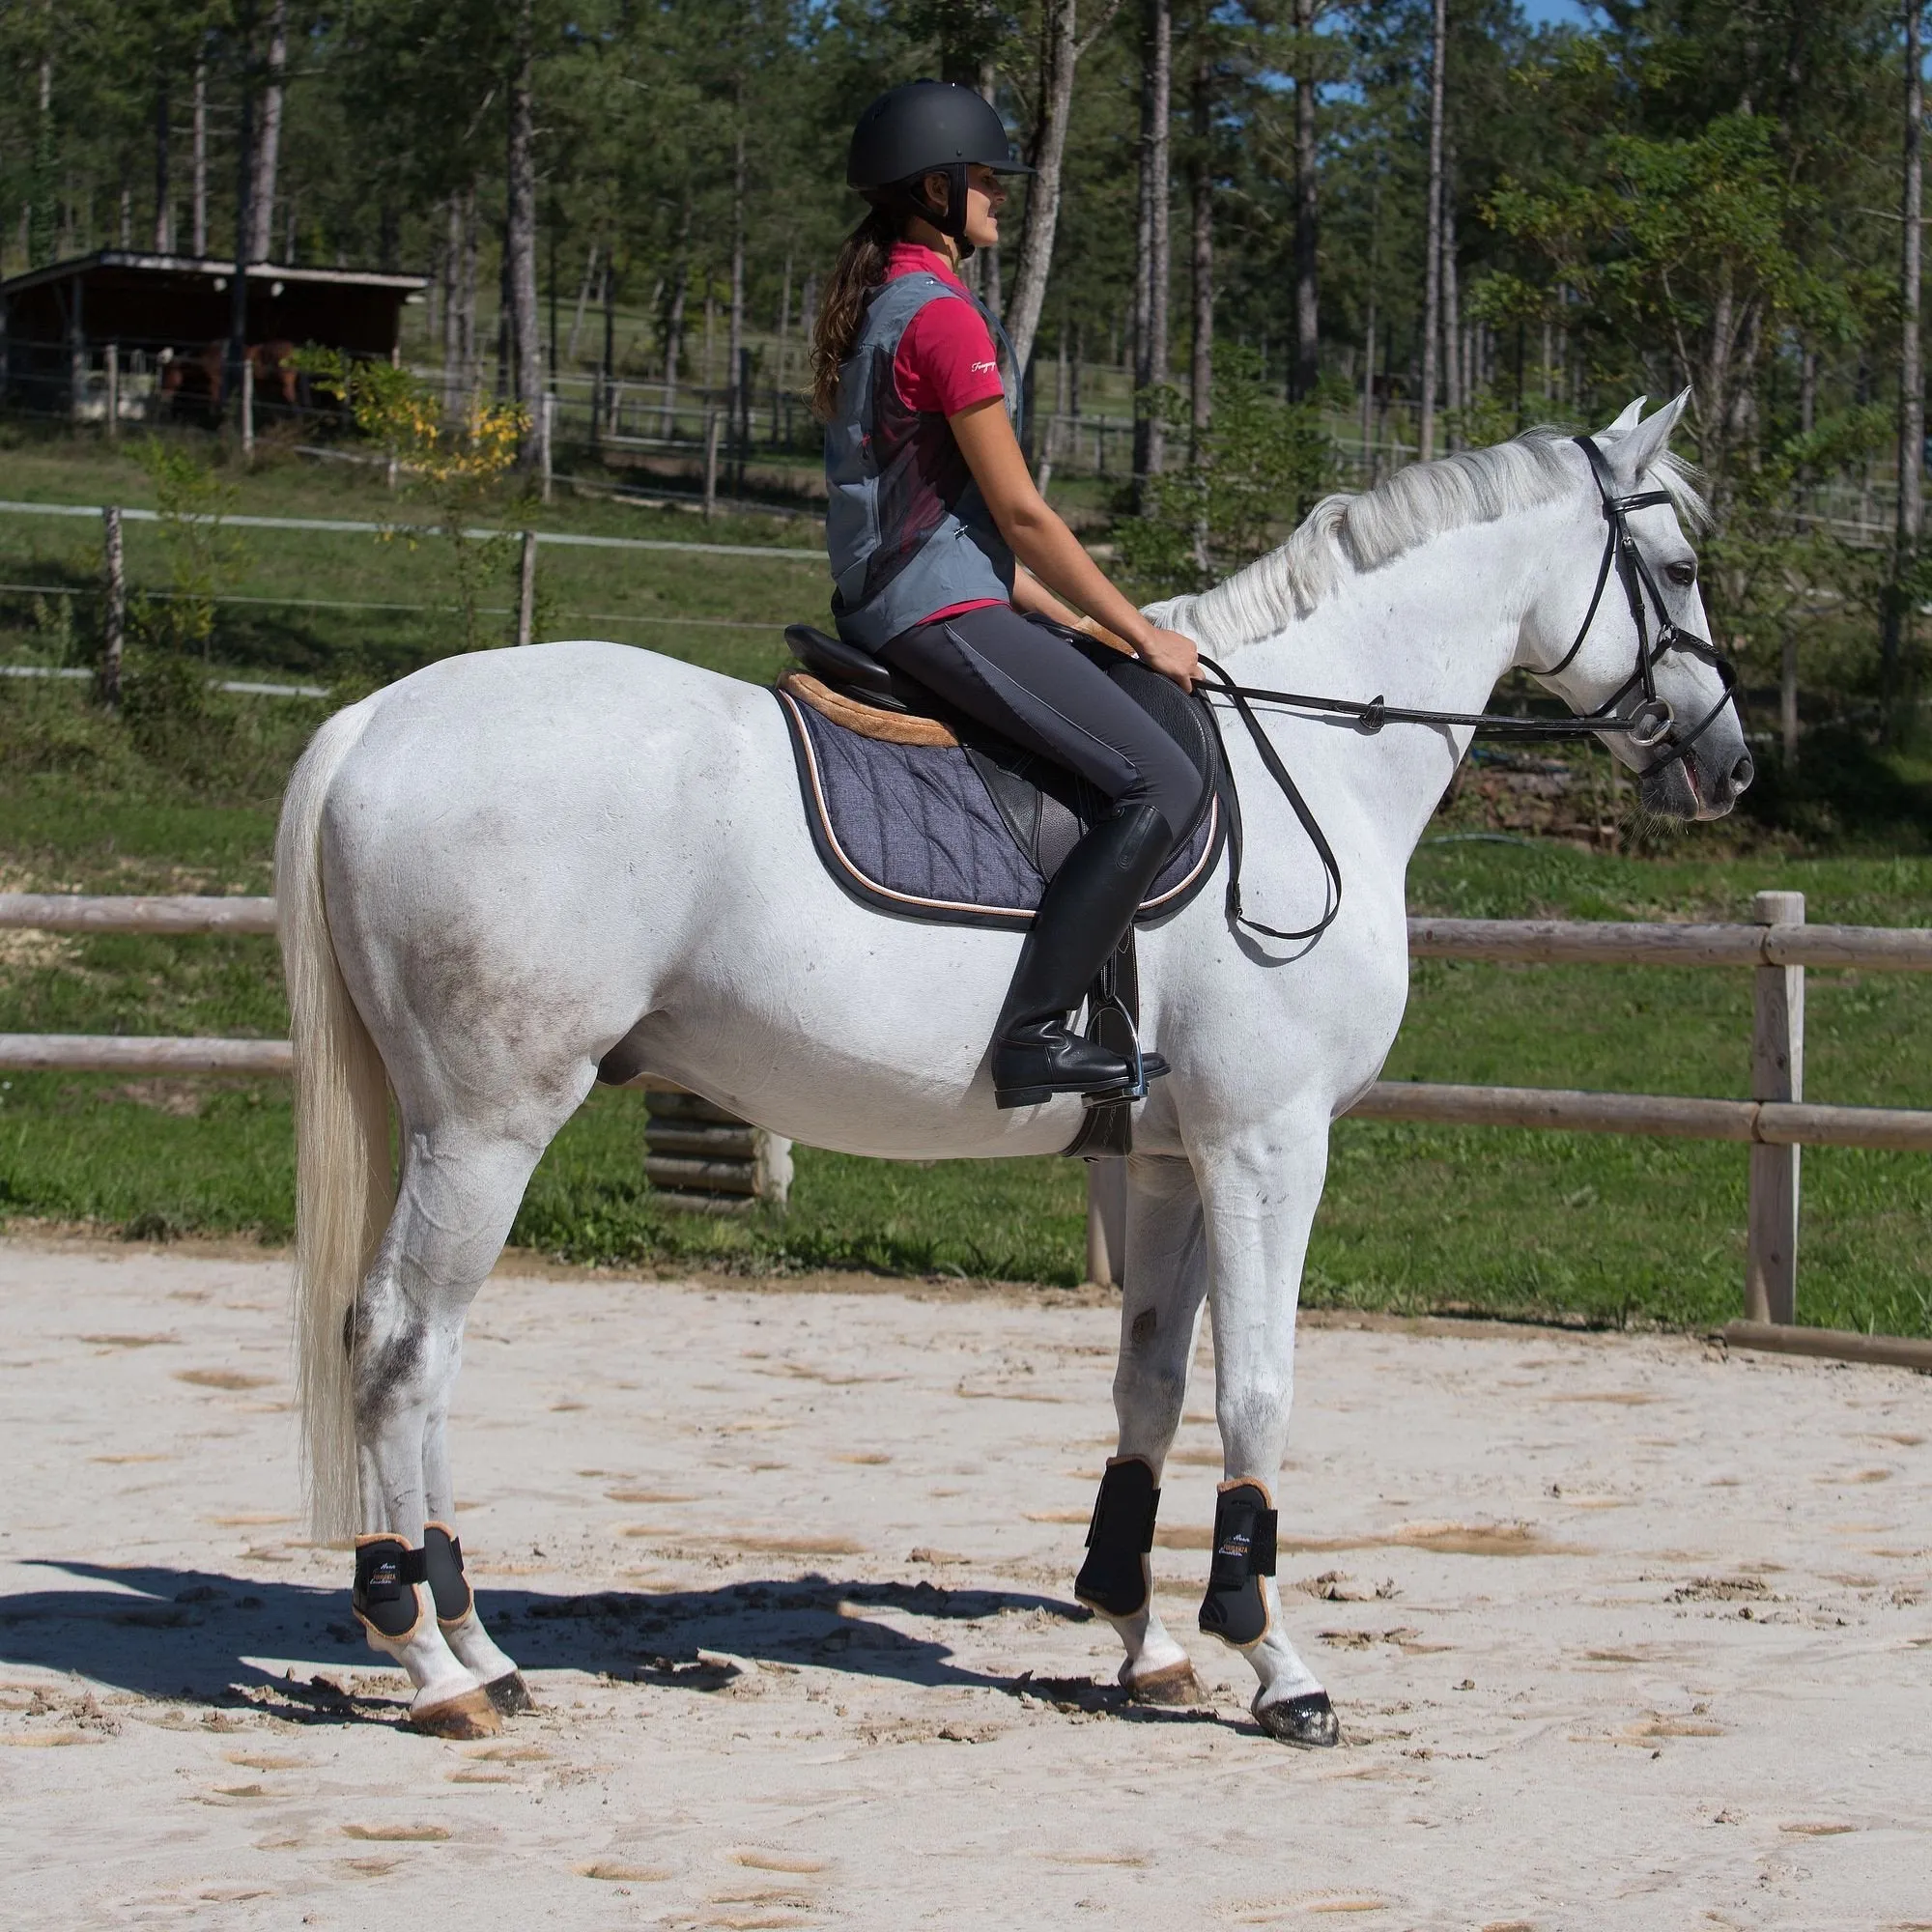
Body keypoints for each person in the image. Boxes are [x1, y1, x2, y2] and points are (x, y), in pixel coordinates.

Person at [810, 79, 1206, 1110]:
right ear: (932, 190)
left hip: (915, 594)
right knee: (1158, 781)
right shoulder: (942, 320)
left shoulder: (885, 304)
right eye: (983, 181)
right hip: (932, 614)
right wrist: (1141, 632)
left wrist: (1063, 618)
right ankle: (1031, 1034)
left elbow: (946, 519)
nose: (997, 198)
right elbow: (1021, 512)